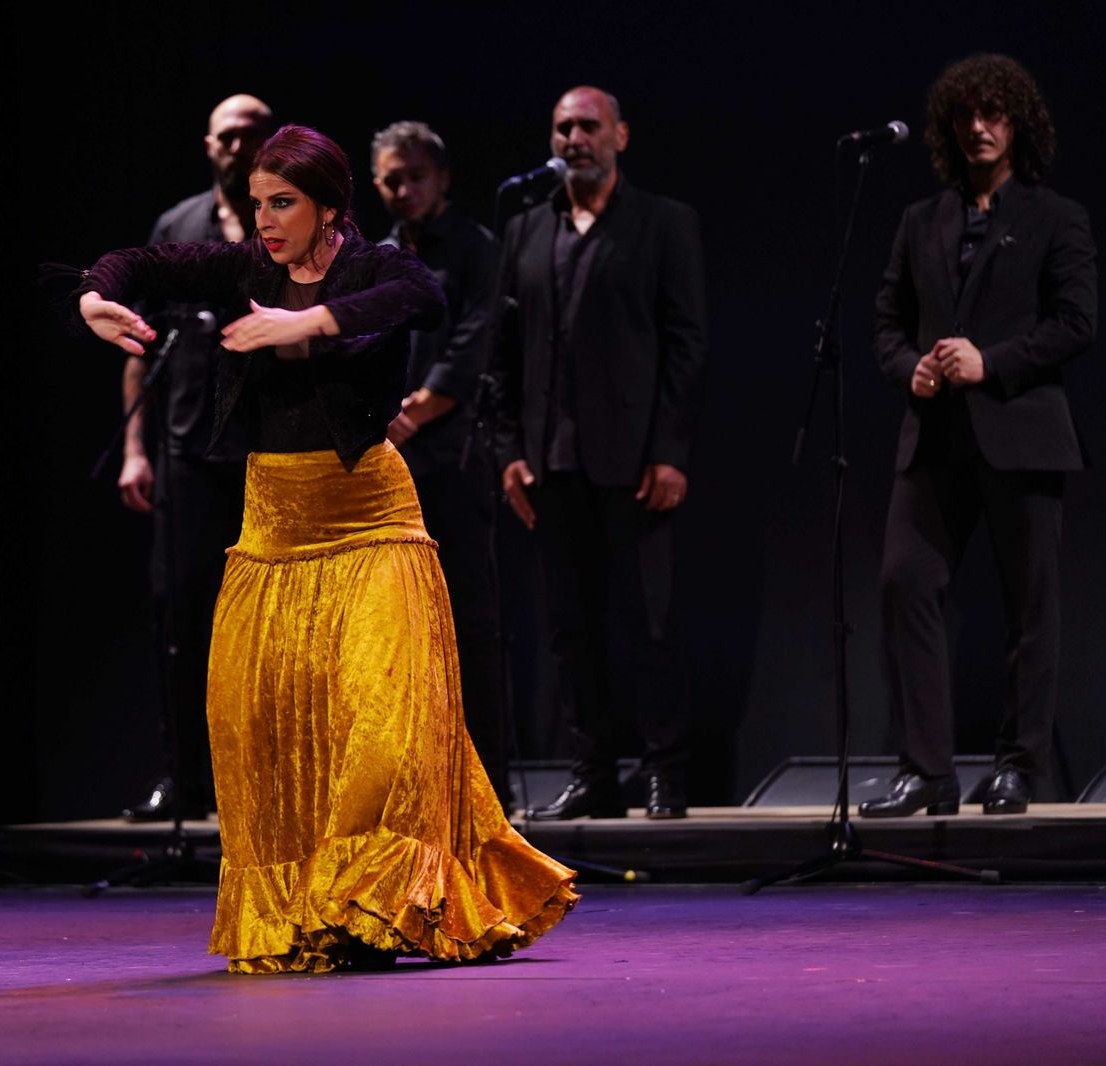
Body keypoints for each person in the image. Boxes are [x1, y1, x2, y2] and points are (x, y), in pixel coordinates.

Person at [79, 125, 576, 973]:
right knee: (261, 731)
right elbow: (142, 261)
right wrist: (95, 296)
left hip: (372, 521)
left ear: (329, 209)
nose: (265, 221)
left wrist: (305, 322)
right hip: (273, 529)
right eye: (258, 203)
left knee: (383, 730)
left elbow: (421, 301)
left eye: (284, 205)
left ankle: (380, 900)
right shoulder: (244, 269)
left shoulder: (377, 265)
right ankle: (308, 912)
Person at [859, 55, 1097, 819]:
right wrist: (913, 371)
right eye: (966, 115)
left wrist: (988, 361)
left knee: (1030, 606)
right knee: (905, 581)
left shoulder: (1056, 216)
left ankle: (1019, 767)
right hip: (935, 438)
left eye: (993, 114)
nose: (978, 127)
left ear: (1017, 124)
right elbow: (887, 324)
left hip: (1022, 434)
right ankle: (926, 771)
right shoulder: (919, 220)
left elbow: (1075, 323)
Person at [494, 86, 707, 822]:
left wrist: (671, 450)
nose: (574, 138)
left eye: (588, 126)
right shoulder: (524, 230)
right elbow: (502, 354)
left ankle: (664, 773)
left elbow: (686, 345)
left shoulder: (662, 224)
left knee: (648, 621)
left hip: (634, 459)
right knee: (570, 629)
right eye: (562, 127)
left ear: (621, 134)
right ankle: (592, 772)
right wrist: (509, 452)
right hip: (550, 462)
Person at [116, 94, 274, 823]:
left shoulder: (290, 221)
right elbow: (140, 342)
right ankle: (183, 778)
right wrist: (133, 449)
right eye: (229, 137)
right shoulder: (176, 228)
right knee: (178, 615)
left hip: (269, 450)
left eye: (253, 136)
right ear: (208, 144)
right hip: (185, 447)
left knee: (270, 625)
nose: (239, 148)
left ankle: (269, 782)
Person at [370, 120, 509, 809]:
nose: (404, 190)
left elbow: (473, 342)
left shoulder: (477, 249)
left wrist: (412, 413)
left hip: (452, 455)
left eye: (416, 176)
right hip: (388, 466)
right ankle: (420, 787)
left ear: (443, 178)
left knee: (470, 621)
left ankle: (488, 790)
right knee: (398, 632)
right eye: (391, 179)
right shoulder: (376, 255)